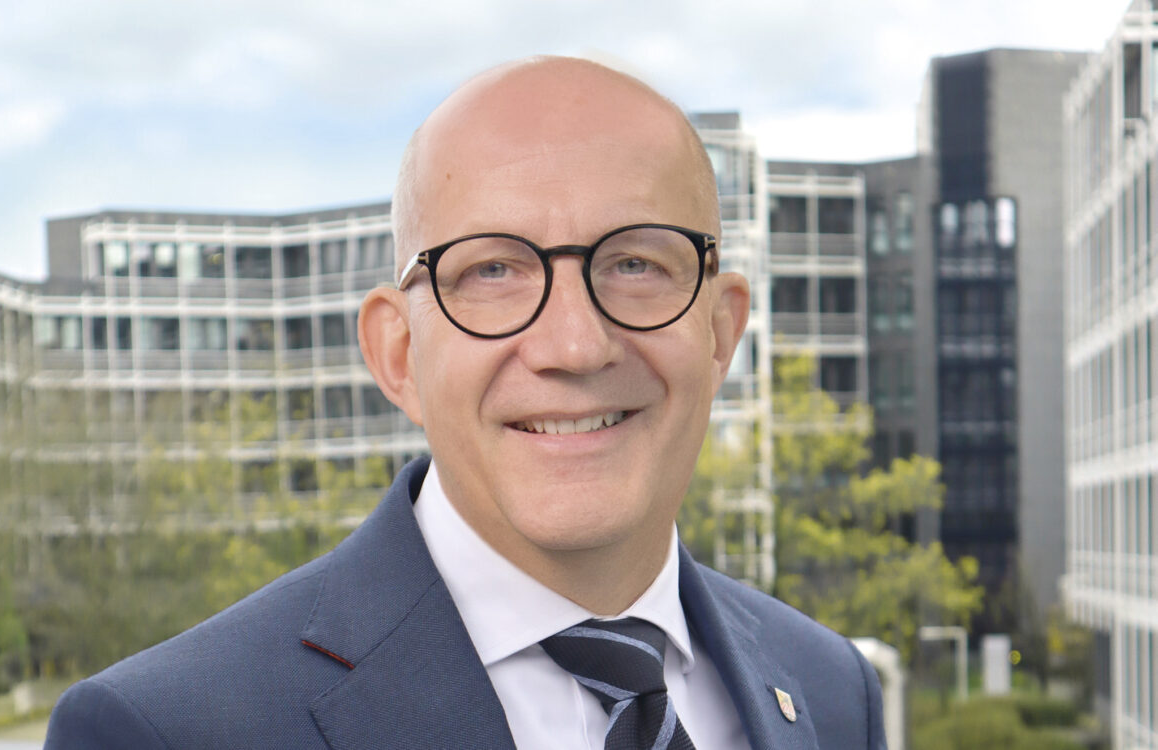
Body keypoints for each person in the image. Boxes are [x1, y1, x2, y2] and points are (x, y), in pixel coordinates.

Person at [45, 56, 886, 749]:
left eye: (635, 263)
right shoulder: (163, 731)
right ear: (399, 354)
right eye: (494, 271)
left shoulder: (829, 689)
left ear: (719, 330)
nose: (573, 346)